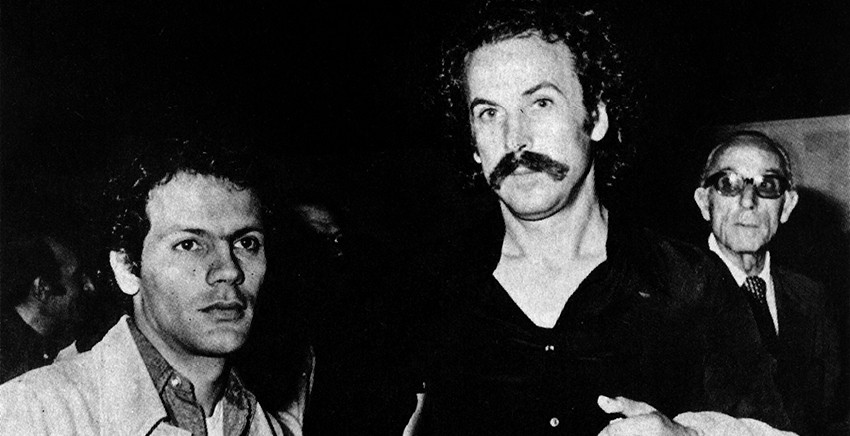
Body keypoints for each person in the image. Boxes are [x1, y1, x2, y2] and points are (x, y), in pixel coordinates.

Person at [407, 1, 796, 434]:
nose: (514, 138)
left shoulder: (692, 286)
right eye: (488, 113)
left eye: (540, 103)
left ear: (596, 118)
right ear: (474, 144)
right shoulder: (428, 291)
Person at [0, 137, 303, 435]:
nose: (229, 270)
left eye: (247, 243)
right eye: (189, 244)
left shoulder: (271, 428)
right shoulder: (31, 414)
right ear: (127, 268)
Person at [693, 130, 841, 434]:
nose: (748, 201)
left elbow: (835, 416)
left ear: (786, 206)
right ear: (705, 202)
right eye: (728, 184)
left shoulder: (812, 298)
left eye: (768, 185)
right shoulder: (669, 292)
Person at [0, 233, 94, 383]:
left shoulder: (61, 340)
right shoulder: (8, 367)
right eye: (76, 278)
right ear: (41, 289)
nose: (90, 286)